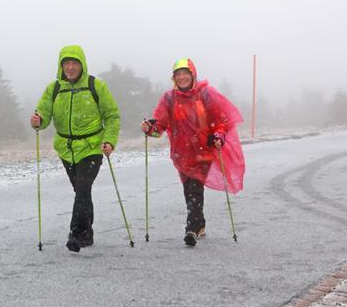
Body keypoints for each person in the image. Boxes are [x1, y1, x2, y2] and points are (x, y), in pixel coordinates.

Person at [141, 58, 245, 247]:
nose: (182, 77)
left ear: (192, 75)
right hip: (181, 153)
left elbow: (220, 120)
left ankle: (191, 229)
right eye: (178, 74)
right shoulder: (169, 98)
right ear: (174, 78)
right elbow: (160, 124)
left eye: (185, 73)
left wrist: (219, 135)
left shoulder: (206, 94)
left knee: (195, 188)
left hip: (202, 150)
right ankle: (200, 223)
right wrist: (150, 128)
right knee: (188, 189)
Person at [30, 45, 120, 252]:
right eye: (66, 63)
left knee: (82, 187)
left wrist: (109, 141)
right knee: (81, 191)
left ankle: (77, 233)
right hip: (66, 148)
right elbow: (43, 115)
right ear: (61, 66)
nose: (70, 67)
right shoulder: (54, 89)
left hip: (92, 147)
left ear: (82, 65)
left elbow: (112, 116)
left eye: (74, 63)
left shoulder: (95, 86)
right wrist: (38, 120)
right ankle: (87, 233)